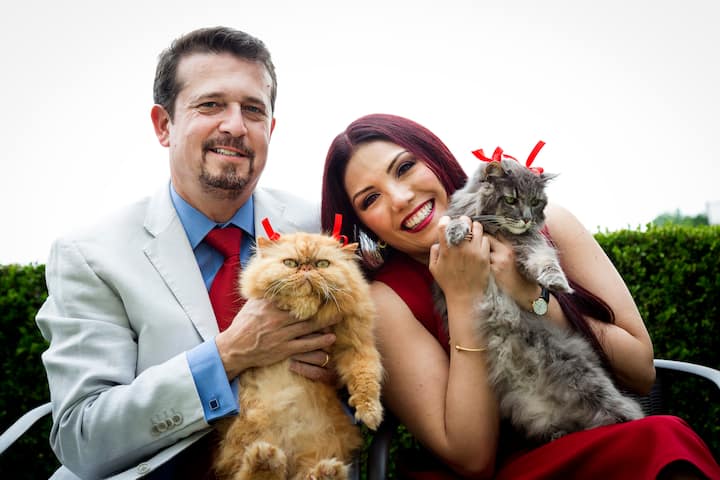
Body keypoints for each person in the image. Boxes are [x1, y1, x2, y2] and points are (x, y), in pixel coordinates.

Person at [320, 113, 720, 479]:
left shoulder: (551, 226)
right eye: (370, 199)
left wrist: (532, 296)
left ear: (434, 158)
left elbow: (641, 371)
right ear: (363, 224)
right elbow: (472, 458)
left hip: (600, 439)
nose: (399, 197)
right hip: (504, 470)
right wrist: (463, 298)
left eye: (405, 167)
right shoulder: (386, 302)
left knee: (662, 438)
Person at [36, 27, 338, 479]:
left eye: (253, 109)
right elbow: (82, 438)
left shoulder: (322, 228)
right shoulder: (90, 255)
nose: (235, 126)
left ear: (270, 129)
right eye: (211, 104)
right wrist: (228, 355)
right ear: (164, 125)